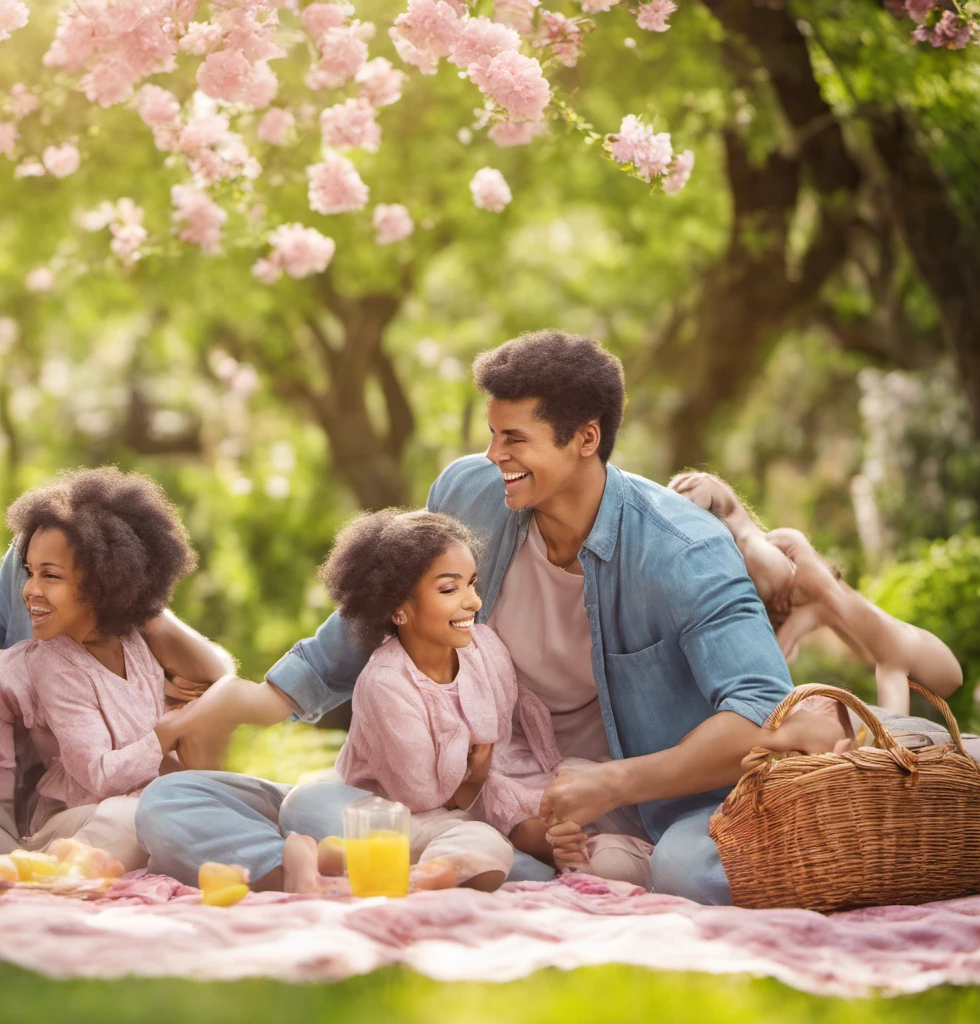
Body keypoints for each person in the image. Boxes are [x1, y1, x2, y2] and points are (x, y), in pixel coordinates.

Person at [133, 329, 845, 905]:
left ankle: (445, 868)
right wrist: (258, 700)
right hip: (472, 800)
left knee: (693, 871)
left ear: (586, 438)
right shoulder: (472, 492)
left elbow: (761, 710)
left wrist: (615, 782)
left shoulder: (683, 550)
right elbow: (390, 608)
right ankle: (428, 870)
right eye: (492, 435)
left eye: (514, 439)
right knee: (185, 803)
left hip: (632, 808)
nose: (493, 456)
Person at [275, 510, 653, 895]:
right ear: (399, 609)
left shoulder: (485, 648)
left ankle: (351, 863)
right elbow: (422, 797)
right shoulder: (386, 683)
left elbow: (502, 753)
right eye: (449, 589)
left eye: (472, 584)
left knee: (546, 854)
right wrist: (475, 781)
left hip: (469, 808)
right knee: (485, 848)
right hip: (403, 809)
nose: (473, 602)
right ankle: (361, 863)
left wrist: (533, 825)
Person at [0, 469, 199, 871]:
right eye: (29, 572)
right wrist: (169, 731)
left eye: (50, 575)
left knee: (164, 810)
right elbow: (99, 776)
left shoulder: (136, 647)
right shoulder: (52, 664)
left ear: (105, 583)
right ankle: (27, 863)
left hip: (127, 811)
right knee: (133, 818)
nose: (29, 589)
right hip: (72, 822)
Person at [668, 472, 963, 717]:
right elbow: (777, 663)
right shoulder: (809, 604)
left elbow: (744, 525)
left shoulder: (800, 566)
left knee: (893, 715)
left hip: (898, 654)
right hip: (896, 651)